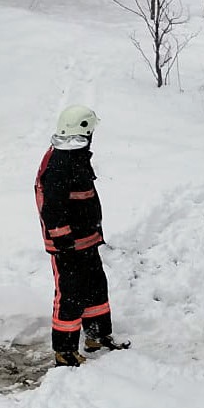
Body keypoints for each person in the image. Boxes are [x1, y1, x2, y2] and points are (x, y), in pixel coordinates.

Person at [35, 105, 126, 366]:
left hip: (86, 239)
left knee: (96, 285)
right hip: (68, 245)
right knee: (71, 293)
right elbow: (51, 207)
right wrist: (62, 238)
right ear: (84, 131)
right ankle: (65, 351)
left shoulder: (75, 155)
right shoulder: (59, 163)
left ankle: (97, 335)